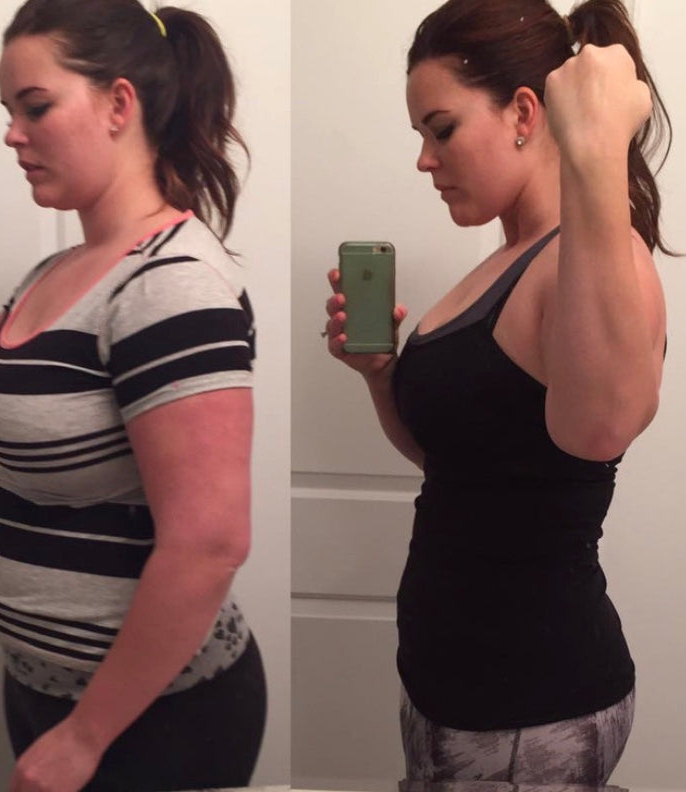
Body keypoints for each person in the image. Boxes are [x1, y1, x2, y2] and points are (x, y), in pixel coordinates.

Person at [0, 1, 265, 790]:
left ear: (119, 103)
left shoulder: (170, 284)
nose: (12, 134)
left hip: (151, 721)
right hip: (46, 691)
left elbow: (210, 544)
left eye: (35, 107)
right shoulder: (57, 272)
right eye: (8, 112)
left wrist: (85, 738)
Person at [325, 0, 670, 785]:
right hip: (454, 694)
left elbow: (600, 429)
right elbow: (460, 466)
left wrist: (595, 143)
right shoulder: (506, 259)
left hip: (532, 708)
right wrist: (379, 375)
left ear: (523, 112)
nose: (425, 160)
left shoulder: (601, 257)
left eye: (441, 129)